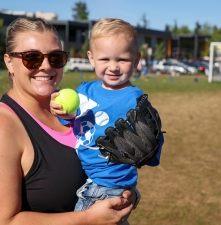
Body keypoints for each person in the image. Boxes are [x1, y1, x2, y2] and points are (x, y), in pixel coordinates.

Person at [0, 17, 138, 225]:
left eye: (55, 57)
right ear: (9, 62)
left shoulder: (78, 108)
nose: (46, 66)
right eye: (32, 58)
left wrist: (124, 192)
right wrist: (88, 218)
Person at [50, 18, 164, 220]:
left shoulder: (135, 100)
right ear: (91, 58)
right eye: (105, 59)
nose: (113, 67)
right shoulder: (84, 91)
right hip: (85, 178)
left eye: (122, 59)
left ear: (137, 60)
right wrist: (65, 115)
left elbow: (151, 145)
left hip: (108, 185)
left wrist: (153, 148)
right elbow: (68, 122)